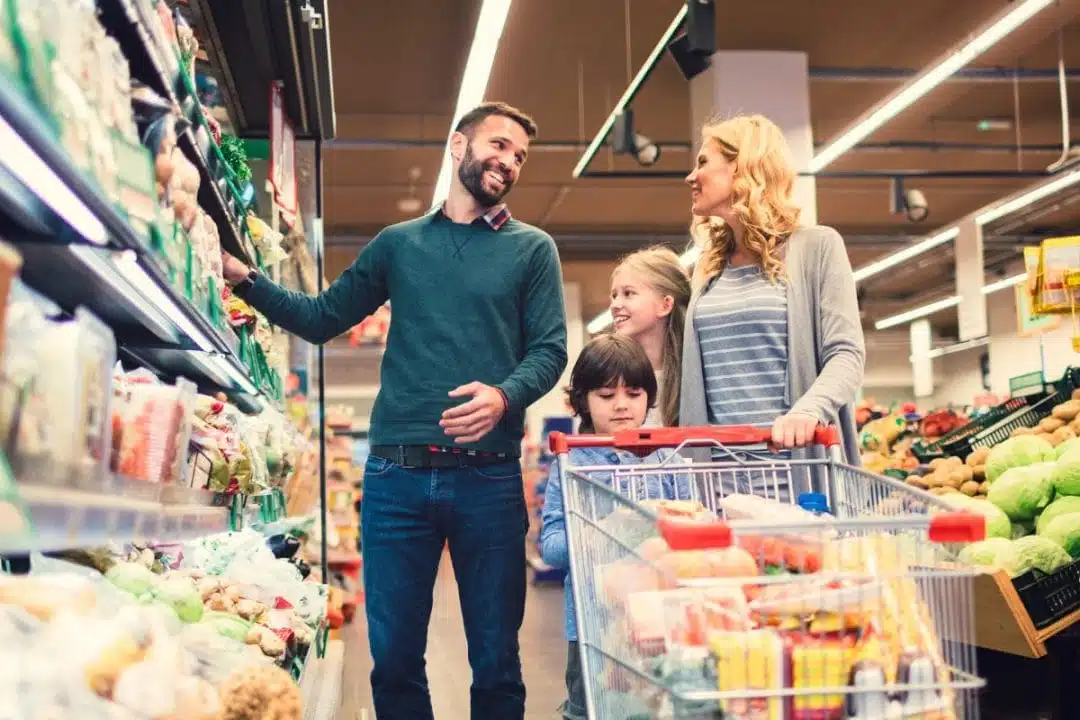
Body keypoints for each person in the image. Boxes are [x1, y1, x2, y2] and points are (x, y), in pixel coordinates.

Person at [221, 102, 568, 720]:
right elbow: (322, 317)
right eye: (499, 145)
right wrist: (244, 277)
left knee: (495, 660)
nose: (509, 161)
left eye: (519, 155)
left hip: (488, 479)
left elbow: (549, 350)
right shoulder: (399, 245)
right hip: (395, 479)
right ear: (458, 145)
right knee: (396, 659)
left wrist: (504, 395)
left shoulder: (531, 250)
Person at [680, 113, 865, 498]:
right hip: (718, 486)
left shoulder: (816, 247)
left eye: (702, 162)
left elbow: (846, 353)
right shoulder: (706, 269)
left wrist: (808, 410)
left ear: (742, 166)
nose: (690, 177)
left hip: (797, 478)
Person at [539, 334, 691, 720]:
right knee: (590, 710)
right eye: (607, 396)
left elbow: (693, 534)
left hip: (664, 625)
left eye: (634, 393)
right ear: (584, 401)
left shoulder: (668, 457)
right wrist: (603, 526)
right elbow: (551, 547)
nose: (622, 405)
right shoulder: (572, 462)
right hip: (594, 630)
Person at [608, 245, 691, 427]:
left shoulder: (693, 377)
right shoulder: (608, 375)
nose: (615, 305)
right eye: (614, 295)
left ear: (665, 305)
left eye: (628, 293)